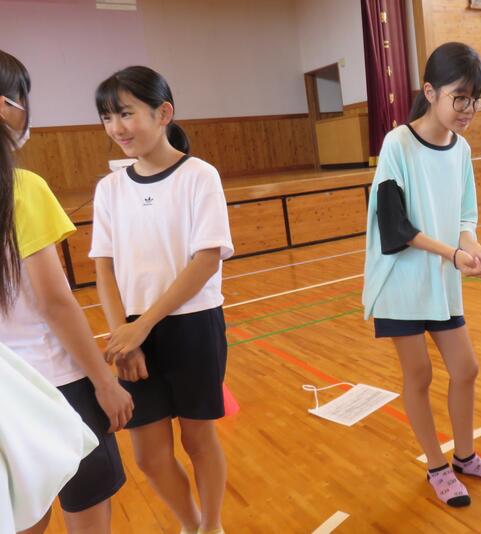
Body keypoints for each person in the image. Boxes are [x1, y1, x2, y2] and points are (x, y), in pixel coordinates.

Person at [362, 42, 481, 508]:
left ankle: (465, 457)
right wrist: (453, 254)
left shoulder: (461, 150)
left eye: (475, 100)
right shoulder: (398, 144)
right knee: (420, 374)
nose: (468, 109)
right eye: (459, 97)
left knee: (466, 368)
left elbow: (465, 217)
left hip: (442, 283)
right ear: (430, 92)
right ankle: (436, 467)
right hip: (401, 285)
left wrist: (474, 249)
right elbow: (396, 226)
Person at [91, 66, 233, 534]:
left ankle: (211, 527)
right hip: (132, 332)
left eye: (126, 113)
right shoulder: (109, 189)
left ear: (163, 112)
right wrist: (125, 336)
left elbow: (205, 261)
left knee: (198, 438)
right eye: (107, 117)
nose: (117, 128)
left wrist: (142, 326)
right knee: (149, 456)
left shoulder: (199, 176)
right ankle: (190, 523)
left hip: (193, 325)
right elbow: (104, 268)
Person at [0, 49, 132, 534]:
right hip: (56, 384)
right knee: (88, 512)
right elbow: (55, 303)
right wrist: (104, 382)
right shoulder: (22, 188)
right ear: (4, 106)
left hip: (7, 392)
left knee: (24, 517)